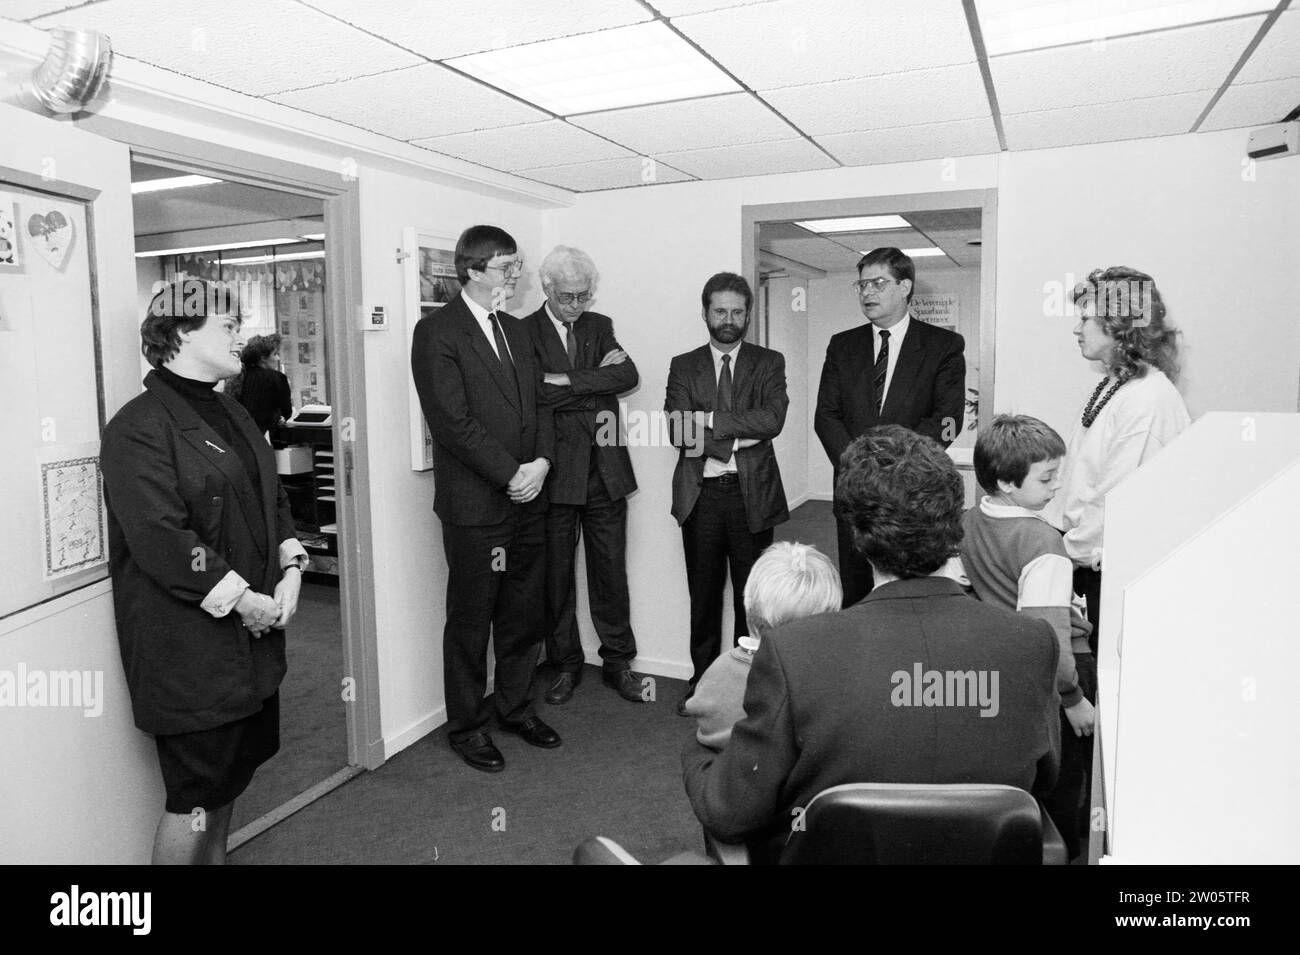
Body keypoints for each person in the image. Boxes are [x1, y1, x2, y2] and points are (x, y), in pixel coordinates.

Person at [682, 425, 1060, 864]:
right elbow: (1044, 781)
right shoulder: (1032, 644)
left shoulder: (794, 655)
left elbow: (730, 814)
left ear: (857, 535)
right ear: (954, 526)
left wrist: (696, 752)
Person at [100, 279, 308, 864]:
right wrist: (244, 599)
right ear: (181, 334)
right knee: (194, 795)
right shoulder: (138, 426)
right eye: (229, 325)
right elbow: (162, 540)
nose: (241, 335)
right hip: (189, 648)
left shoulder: (232, 410)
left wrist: (292, 565)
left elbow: (271, 497)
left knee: (229, 780)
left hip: (251, 639)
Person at [410, 224, 559, 773]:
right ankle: (468, 727)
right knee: (471, 622)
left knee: (523, 615)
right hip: (477, 508)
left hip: (529, 498)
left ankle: (514, 708)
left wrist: (541, 463)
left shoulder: (516, 330)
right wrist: (510, 473)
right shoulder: (437, 332)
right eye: (506, 266)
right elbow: (452, 422)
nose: (517, 274)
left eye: (517, 265)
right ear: (473, 271)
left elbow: (542, 405)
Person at [961, 414, 1096, 859]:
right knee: (1067, 781)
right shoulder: (1043, 542)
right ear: (1006, 482)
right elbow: (1048, 634)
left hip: (1006, 670)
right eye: (1046, 477)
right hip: (1058, 677)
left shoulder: (967, 522)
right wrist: (1073, 698)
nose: (1057, 486)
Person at [1043, 267, 1190, 649]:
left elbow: (1114, 501)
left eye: (1085, 318)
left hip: (1108, 573)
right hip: (1087, 563)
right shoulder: (1117, 386)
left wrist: (1060, 553)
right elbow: (1082, 479)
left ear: (1118, 324)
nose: (1076, 329)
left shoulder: (1146, 399)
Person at [522, 246, 645, 705]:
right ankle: (566, 665)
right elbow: (534, 395)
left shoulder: (598, 325)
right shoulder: (525, 332)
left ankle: (618, 662)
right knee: (556, 580)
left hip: (605, 473)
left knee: (610, 572)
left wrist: (567, 381)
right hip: (555, 475)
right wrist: (593, 382)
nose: (576, 305)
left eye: (583, 295)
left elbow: (627, 376)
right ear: (547, 288)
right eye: (568, 296)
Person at [665, 272, 789, 717]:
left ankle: (747, 688)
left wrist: (710, 421)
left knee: (750, 599)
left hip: (751, 496)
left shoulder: (768, 362)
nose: (729, 320)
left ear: (748, 315)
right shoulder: (684, 365)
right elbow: (677, 429)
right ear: (705, 313)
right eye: (720, 311)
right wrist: (737, 439)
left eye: (737, 311)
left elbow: (772, 420)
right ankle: (701, 683)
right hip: (701, 498)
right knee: (703, 596)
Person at [814, 247, 966, 606]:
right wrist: (860, 467)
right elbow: (826, 416)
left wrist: (900, 468)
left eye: (878, 283)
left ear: (905, 286)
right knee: (856, 592)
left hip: (912, 493)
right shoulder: (842, 345)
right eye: (862, 285)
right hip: (854, 491)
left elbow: (949, 421)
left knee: (907, 597)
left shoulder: (942, 346)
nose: (867, 292)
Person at [685, 541, 841, 750]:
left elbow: (702, 719)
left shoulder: (720, 669)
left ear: (749, 601)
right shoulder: (825, 683)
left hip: (722, 764)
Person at [233, 334, 292, 436]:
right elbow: (286, 413)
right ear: (263, 358)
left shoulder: (237, 377)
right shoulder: (277, 378)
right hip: (265, 436)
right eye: (275, 354)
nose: (278, 358)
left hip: (240, 435)